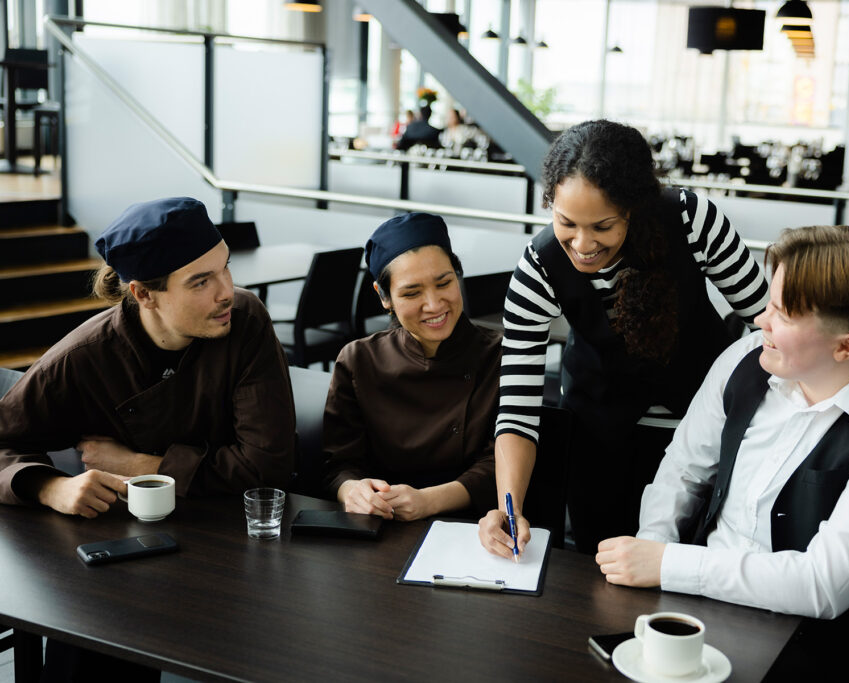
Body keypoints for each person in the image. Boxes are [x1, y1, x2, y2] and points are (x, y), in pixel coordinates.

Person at [594, 225, 849, 682]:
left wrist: (668, 565)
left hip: (827, 654)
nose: (762, 321)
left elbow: (823, 584)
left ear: (846, 347)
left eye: (782, 314)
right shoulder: (748, 356)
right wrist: (653, 555)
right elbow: (682, 473)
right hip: (700, 612)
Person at [0, 196, 296, 680]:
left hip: (234, 546)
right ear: (144, 294)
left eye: (224, 268)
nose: (227, 291)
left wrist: (139, 464)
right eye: (201, 282)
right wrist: (48, 486)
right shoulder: (83, 358)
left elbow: (267, 466)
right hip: (123, 553)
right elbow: (4, 440)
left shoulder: (245, 320)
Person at [478, 119, 770, 555]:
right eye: (566, 222)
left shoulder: (691, 220)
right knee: (601, 567)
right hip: (600, 439)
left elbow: (768, 324)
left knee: (696, 568)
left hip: (701, 434)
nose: (582, 243)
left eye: (602, 226)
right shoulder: (539, 267)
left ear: (633, 207)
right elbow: (518, 410)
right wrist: (509, 504)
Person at [323, 212, 500, 520]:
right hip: (382, 524)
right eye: (411, 292)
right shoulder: (358, 360)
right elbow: (337, 464)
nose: (434, 305)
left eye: (444, 282)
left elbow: (502, 465)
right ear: (384, 296)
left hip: (475, 528)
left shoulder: (500, 356)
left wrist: (429, 501)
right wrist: (352, 490)